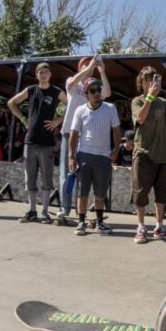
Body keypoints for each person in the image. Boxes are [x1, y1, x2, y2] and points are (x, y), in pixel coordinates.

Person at [7, 63, 67, 224]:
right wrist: (23, 119)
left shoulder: (56, 91)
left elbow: (72, 106)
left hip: (47, 142)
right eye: (41, 72)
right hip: (30, 141)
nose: (43, 74)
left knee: (47, 178)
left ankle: (45, 212)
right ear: (36, 75)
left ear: (50, 74)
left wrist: (58, 120)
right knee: (30, 178)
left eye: (46, 72)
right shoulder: (31, 90)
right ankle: (32, 211)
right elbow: (11, 103)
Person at [59, 56, 111, 224]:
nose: (90, 67)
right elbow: (72, 83)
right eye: (86, 65)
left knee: (82, 177)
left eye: (92, 65)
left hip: (86, 137)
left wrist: (102, 71)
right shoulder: (72, 81)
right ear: (79, 67)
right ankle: (64, 208)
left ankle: (80, 212)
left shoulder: (94, 86)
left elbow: (107, 93)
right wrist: (89, 67)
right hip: (69, 133)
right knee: (67, 172)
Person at [129, 67, 166, 244]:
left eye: (154, 79)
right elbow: (140, 119)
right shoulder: (137, 101)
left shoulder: (163, 103)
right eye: (147, 80)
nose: (151, 83)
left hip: (162, 154)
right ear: (140, 83)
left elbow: (165, 128)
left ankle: (159, 226)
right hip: (143, 153)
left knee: (161, 193)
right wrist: (149, 97)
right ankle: (141, 227)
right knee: (140, 193)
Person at [67, 78, 120, 236]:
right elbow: (73, 134)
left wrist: (116, 149)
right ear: (86, 94)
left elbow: (116, 130)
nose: (96, 93)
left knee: (100, 192)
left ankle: (100, 222)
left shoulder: (110, 108)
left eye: (98, 89)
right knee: (82, 192)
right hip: (84, 155)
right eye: (92, 90)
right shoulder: (80, 110)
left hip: (103, 157)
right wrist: (71, 156)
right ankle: (81, 222)